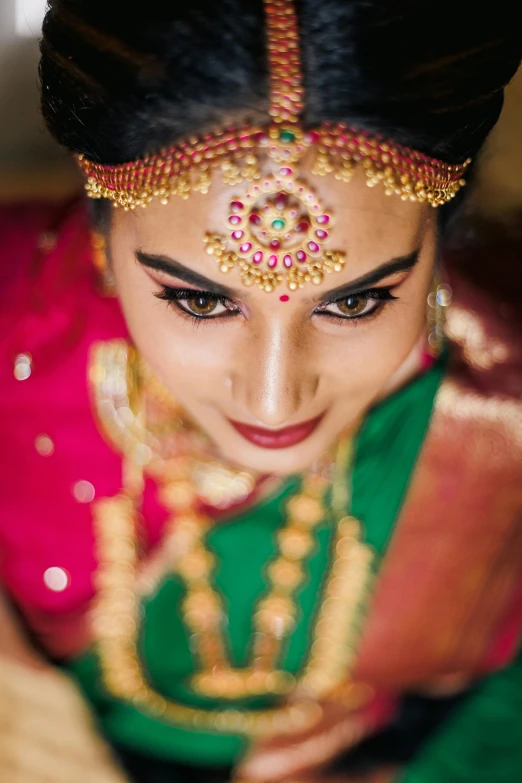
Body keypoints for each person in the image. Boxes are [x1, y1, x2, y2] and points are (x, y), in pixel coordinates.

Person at [1, 0, 522, 781]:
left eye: (355, 301)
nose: (275, 401)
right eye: (201, 300)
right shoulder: (15, 319)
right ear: (104, 238)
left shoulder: (497, 406)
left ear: (438, 240)